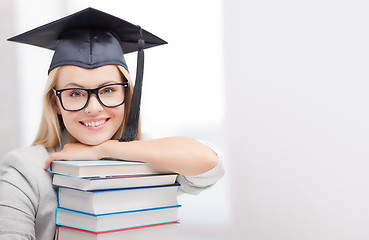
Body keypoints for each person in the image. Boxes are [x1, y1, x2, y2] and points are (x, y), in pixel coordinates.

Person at [0, 8, 224, 240]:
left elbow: (209, 164)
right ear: (56, 102)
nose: (93, 107)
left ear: (127, 97)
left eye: (108, 90)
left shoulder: (148, 154)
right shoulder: (26, 169)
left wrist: (103, 150)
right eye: (75, 93)